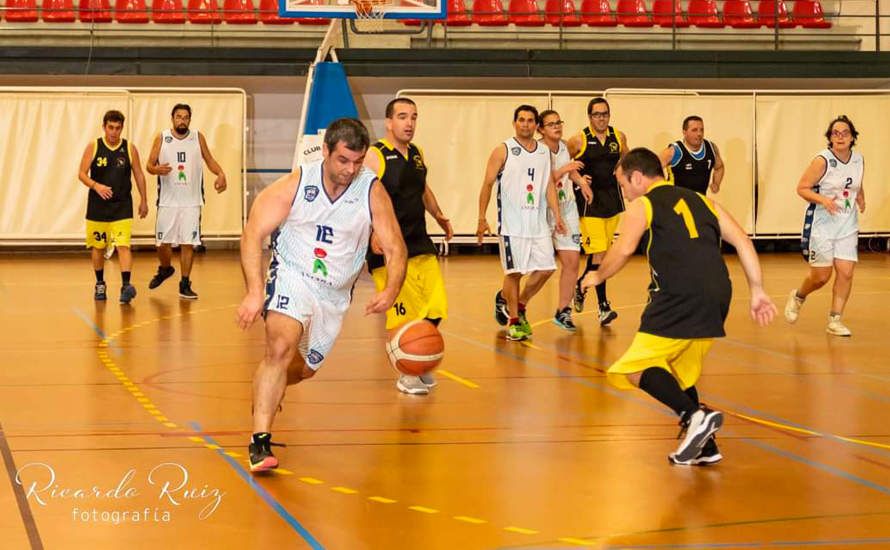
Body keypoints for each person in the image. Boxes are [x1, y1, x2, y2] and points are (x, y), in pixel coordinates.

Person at [581, 148, 776, 465]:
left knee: (632, 368)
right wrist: (757, 290)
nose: (624, 193)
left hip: (678, 296)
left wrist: (598, 275)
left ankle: (693, 416)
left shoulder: (643, 204)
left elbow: (624, 247)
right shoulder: (703, 200)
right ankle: (706, 446)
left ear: (638, 177)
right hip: (717, 294)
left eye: (623, 184)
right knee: (682, 374)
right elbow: (742, 240)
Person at [237, 118, 406, 473]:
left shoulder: (371, 190)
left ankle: (272, 381)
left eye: (358, 162)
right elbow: (253, 231)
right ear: (326, 151)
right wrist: (254, 292)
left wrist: (391, 289)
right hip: (292, 274)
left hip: (334, 294)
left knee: (302, 370)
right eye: (343, 160)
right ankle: (260, 441)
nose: (351, 169)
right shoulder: (296, 184)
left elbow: (394, 247)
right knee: (281, 347)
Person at [364, 97, 452, 396]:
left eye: (414, 117)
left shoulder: (416, 153)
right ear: (388, 122)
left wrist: (439, 215)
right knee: (403, 313)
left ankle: (417, 360)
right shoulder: (375, 155)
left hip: (419, 241)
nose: (409, 123)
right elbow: (360, 197)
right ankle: (407, 372)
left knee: (436, 305)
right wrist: (372, 231)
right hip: (388, 247)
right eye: (402, 117)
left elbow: (423, 188)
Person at [477, 104, 565, 342]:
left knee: (547, 268)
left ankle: (520, 303)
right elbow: (487, 184)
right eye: (521, 120)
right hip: (511, 226)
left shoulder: (544, 152)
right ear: (514, 123)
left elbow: (547, 185)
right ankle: (514, 321)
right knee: (514, 272)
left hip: (537, 224)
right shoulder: (503, 150)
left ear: (536, 125)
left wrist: (557, 215)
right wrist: (481, 218)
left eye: (529, 120)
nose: (525, 124)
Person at [785, 115, 865, 337]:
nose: (840, 136)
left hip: (847, 222)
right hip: (823, 223)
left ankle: (835, 319)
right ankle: (799, 296)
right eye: (835, 133)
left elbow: (855, 182)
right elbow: (802, 188)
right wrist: (824, 200)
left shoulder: (858, 159)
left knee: (846, 272)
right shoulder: (822, 160)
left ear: (852, 137)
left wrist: (860, 197)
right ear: (830, 138)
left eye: (845, 133)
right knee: (821, 276)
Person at [146, 103, 227, 300]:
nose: (182, 120)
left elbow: (209, 160)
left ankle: (184, 283)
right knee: (162, 243)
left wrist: (220, 173)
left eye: (185, 117)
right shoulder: (162, 137)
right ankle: (165, 268)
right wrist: (156, 169)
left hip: (191, 201)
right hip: (167, 201)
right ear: (172, 118)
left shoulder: (197, 137)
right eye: (178, 117)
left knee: (187, 243)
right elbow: (149, 164)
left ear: (190, 119)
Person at [567, 97, 628, 326]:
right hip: (589, 203)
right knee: (600, 253)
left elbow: (626, 158)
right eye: (597, 114)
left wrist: (622, 173)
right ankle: (603, 306)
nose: (601, 118)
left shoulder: (618, 137)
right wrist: (579, 179)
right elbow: (564, 161)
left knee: (603, 255)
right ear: (590, 116)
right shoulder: (579, 139)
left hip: (612, 202)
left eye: (605, 114)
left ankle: (581, 284)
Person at [78, 110, 148, 304]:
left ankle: (126, 285)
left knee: (123, 246)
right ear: (104, 127)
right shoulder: (94, 146)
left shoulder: (129, 148)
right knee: (98, 247)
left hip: (122, 206)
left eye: (118, 128)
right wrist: (96, 185)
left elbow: (139, 175)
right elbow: (81, 173)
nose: (114, 132)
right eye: (110, 127)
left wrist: (144, 199)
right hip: (97, 207)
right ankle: (100, 283)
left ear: (122, 128)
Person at [537, 109, 591, 331]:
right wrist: (564, 169)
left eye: (559, 122)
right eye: (551, 124)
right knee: (539, 266)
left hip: (567, 207)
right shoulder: (537, 150)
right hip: (543, 209)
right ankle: (511, 299)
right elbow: (543, 181)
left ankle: (563, 311)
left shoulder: (565, 146)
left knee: (572, 261)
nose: (557, 127)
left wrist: (581, 183)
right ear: (541, 129)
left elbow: (571, 171)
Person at [659, 115, 725, 195]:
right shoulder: (673, 151)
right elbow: (652, 171)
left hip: (699, 201)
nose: (699, 133)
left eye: (701, 130)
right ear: (684, 132)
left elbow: (719, 167)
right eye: (694, 130)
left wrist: (716, 183)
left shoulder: (711, 148)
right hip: (676, 202)